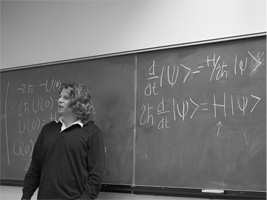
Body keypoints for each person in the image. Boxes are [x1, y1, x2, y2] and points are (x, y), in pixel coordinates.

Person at [22, 82, 105, 200]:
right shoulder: (48, 130)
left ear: (79, 103)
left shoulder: (93, 133)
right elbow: (35, 168)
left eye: (65, 98)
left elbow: (96, 175)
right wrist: (26, 196)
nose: (59, 100)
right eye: (60, 96)